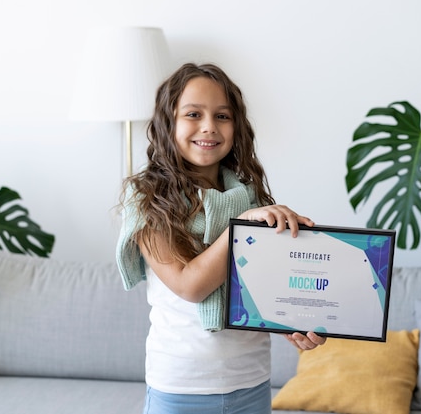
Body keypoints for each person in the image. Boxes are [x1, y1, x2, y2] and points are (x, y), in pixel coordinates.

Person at [116, 62, 325, 414]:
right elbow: (189, 284)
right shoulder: (147, 200)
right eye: (193, 114)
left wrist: (295, 323)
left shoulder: (251, 197)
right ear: (169, 123)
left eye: (223, 116)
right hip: (181, 387)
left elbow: (263, 290)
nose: (209, 127)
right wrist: (242, 227)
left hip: (251, 381)